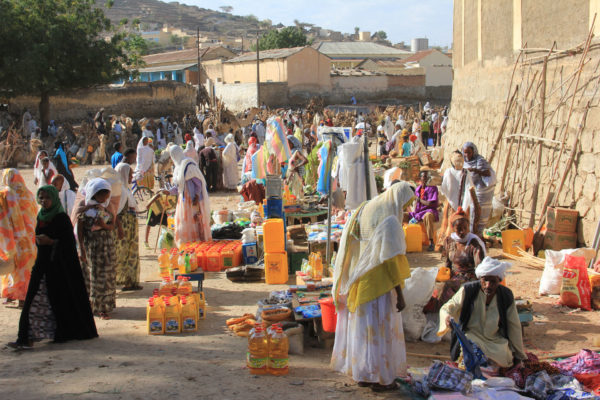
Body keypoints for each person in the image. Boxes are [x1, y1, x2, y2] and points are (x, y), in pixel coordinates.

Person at [332, 182, 415, 392]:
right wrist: (400, 294)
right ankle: (382, 379)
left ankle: (364, 374)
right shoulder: (390, 222)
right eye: (405, 205)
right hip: (380, 285)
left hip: (360, 280)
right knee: (380, 332)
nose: (404, 210)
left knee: (363, 331)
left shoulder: (365, 208)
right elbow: (391, 260)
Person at [8, 185, 98, 349]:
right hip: (42, 264)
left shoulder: (61, 218)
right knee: (31, 299)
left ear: (54, 199)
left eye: (47, 198)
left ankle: (58, 333)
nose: (44, 201)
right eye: (41, 198)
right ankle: (25, 337)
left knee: (59, 301)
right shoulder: (41, 216)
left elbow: (69, 243)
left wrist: (51, 242)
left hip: (59, 267)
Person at [439, 257, 526, 368]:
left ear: (499, 281)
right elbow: (448, 307)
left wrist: (519, 354)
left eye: (493, 281)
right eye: (485, 280)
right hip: (472, 335)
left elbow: (514, 325)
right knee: (473, 349)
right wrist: (447, 317)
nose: (488, 285)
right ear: (480, 279)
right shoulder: (468, 290)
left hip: (494, 339)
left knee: (504, 355)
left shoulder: (505, 295)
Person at [424, 207, 485, 315]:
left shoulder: (473, 243)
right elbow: (447, 262)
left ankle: (442, 314)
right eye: (458, 228)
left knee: (446, 286)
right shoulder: (449, 241)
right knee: (434, 285)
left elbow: (480, 268)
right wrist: (445, 274)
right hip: (453, 275)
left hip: (469, 277)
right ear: (453, 228)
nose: (462, 231)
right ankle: (435, 314)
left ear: (468, 228)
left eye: (465, 228)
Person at [74, 178, 116, 319]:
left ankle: (106, 305)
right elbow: (80, 232)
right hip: (93, 249)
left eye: (106, 195)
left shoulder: (105, 208)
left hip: (107, 248)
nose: (104, 198)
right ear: (93, 194)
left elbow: (112, 226)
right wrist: (82, 250)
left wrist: (104, 226)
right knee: (96, 277)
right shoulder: (85, 210)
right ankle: (97, 307)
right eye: (101, 195)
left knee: (107, 277)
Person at [0, 169, 37, 306]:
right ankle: (19, 295)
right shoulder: (28, 194)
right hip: (28, 238)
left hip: (12, 237)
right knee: (24, 267)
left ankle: (14, 294)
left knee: (11, 265)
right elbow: (34, 213)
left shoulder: (7, 194)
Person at [168, 145, 211, 246]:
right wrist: (169, 192)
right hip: (183, 201)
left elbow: (198, 183)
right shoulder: (177, 168)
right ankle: (187, 244)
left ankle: (197, 243)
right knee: (185, 222)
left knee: (195, 221)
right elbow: (178, 187)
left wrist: (196, 196)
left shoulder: (188, 165)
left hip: (192, 200)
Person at [114, 163, 141, 291]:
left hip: (130, 225)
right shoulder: (119, 190)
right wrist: (119, 228)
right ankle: (122, 279)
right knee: (122, 253)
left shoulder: (126, 189)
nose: (131, 177)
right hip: (123, 226)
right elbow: (115, 212)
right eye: (129, 174)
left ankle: (131, 281)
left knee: (132, 252)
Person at [439, 151, 475, 245]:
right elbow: (470, 187)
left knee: (451, 224)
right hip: (463, 205)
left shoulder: (449, 171)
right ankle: (462, 243)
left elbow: (444, 188)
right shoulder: (466, 172)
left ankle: (449, 243)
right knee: (463, 223)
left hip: (451, 203)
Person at [463, 142, 496, 236]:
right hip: (472, 190)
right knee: (471, 213)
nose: (467, 155)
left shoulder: (480, 161)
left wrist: (475, 170)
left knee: (480, 214)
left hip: (482, 192)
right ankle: (473, 235)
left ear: (474, 151)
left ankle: (478, 235)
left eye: (469, 152)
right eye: (465, 152)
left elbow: (487, 173)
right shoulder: (464, 161)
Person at [408, 170, 439, 251]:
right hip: (418, 213)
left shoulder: (433, 188)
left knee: (427, 216)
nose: (426, 179)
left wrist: (419, 199)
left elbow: (429, 204)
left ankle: (431, 242)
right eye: (424, 177)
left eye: (427, 177)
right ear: (420, 178)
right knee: (403, 215)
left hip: (430, 211)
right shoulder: (418, 189)